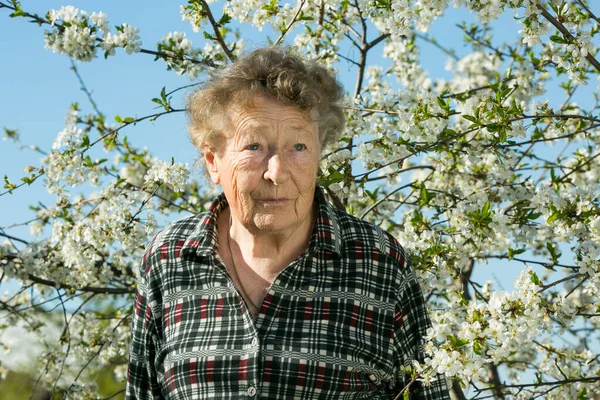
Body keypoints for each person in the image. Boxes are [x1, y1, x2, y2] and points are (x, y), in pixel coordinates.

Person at [126, 46, 450, 399]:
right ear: (212, 161)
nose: (276, 172)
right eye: (254, 147)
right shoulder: (169, 260)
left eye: (298, 147)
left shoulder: (378, 262)